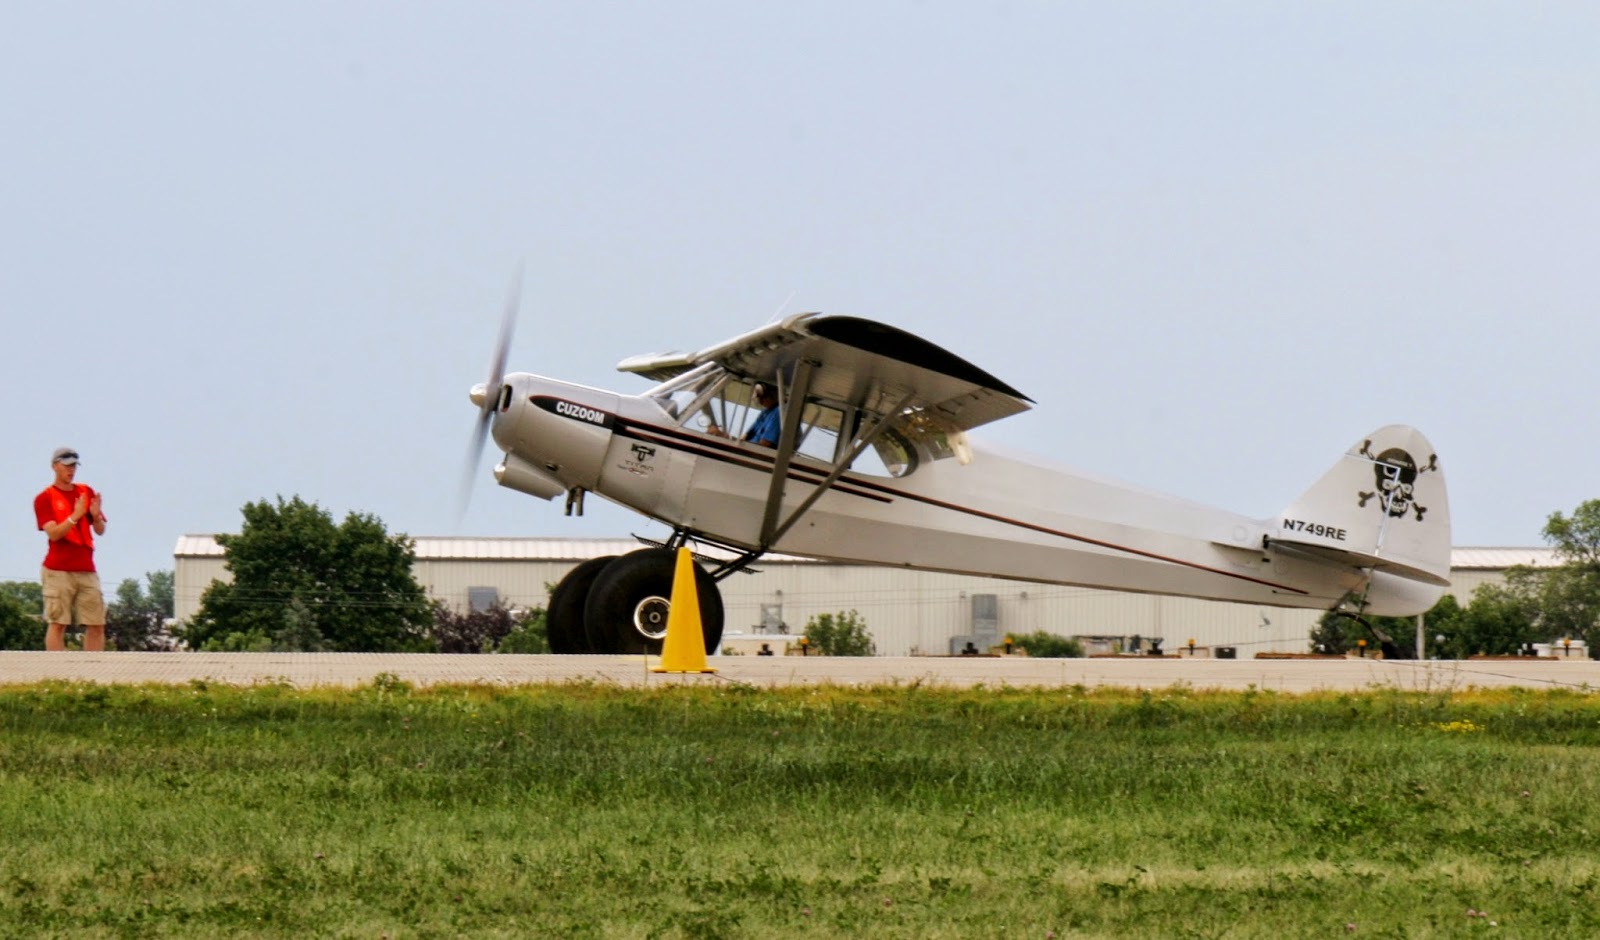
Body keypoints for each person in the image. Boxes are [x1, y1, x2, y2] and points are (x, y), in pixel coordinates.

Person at [33, 447, 107, 651]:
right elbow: (54, 534)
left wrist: (96, 515)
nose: (71, 470)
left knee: (96, 623)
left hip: (86, 568)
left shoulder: (85, 491)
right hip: (58, 570)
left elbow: (100, 530)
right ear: (54, 466)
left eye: (74, 465)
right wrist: (75, 516)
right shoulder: (44, 498)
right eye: (66, 465)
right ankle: (59, 673)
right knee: (58, 622)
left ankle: (92, 673)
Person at [742, 383, 781, 447]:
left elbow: (765, 444)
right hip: (749, 446)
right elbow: (746, 435)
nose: (760, 399)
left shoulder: (778, 412)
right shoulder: (765, 412)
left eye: (762, 396)